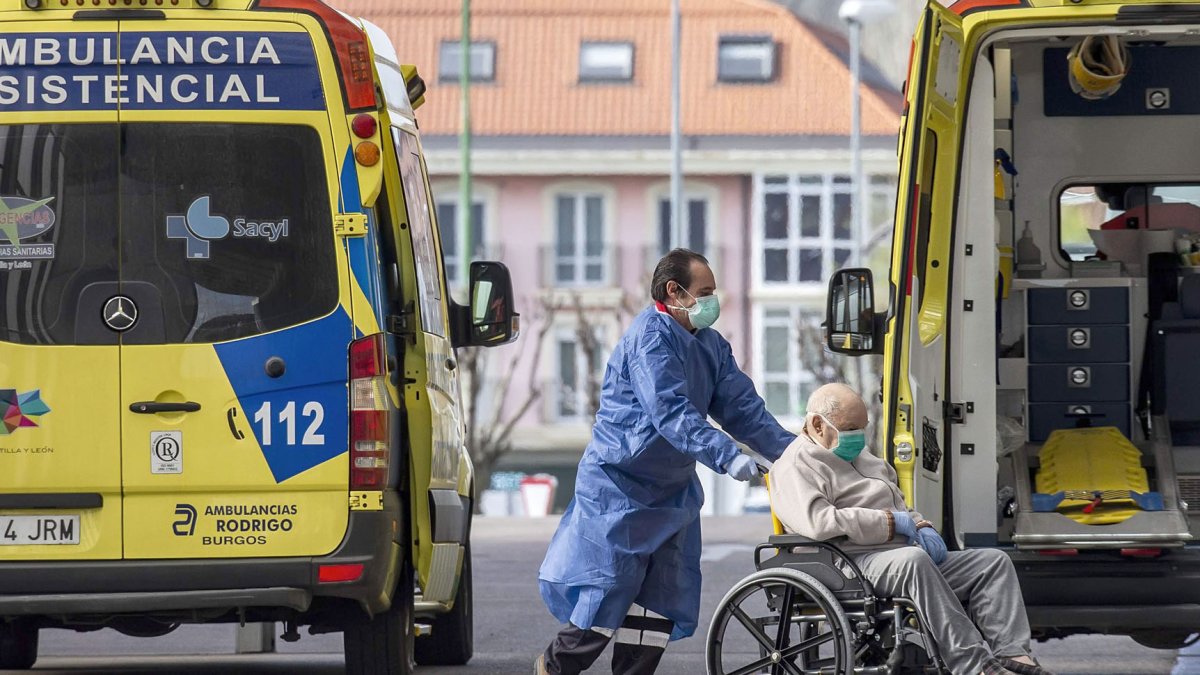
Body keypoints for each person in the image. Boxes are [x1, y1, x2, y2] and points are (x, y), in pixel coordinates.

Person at [535, 249, 797, 675]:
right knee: (607, 593)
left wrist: (796, 455)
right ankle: (554, 667)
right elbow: (671, 412)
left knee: (660, 602)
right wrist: (729, 456)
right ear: (674, 291)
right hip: (620, 490)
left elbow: (744, 411)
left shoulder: (710, 346)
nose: (714, 301)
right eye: (705, 292)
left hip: (672, 493)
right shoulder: (650, 340)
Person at [769, 383, 1053, 675]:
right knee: (913, 563)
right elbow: (820, 522)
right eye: (850, 427)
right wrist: (890, 523)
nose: (857, 436)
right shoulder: (794, 466)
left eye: (861, 428)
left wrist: (920, 525)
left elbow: (898, 503)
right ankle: (975, 665)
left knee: (992, 563)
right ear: (817, 424)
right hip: (847, 563)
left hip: (894, 555)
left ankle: (1014, 656)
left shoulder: (862, 458)